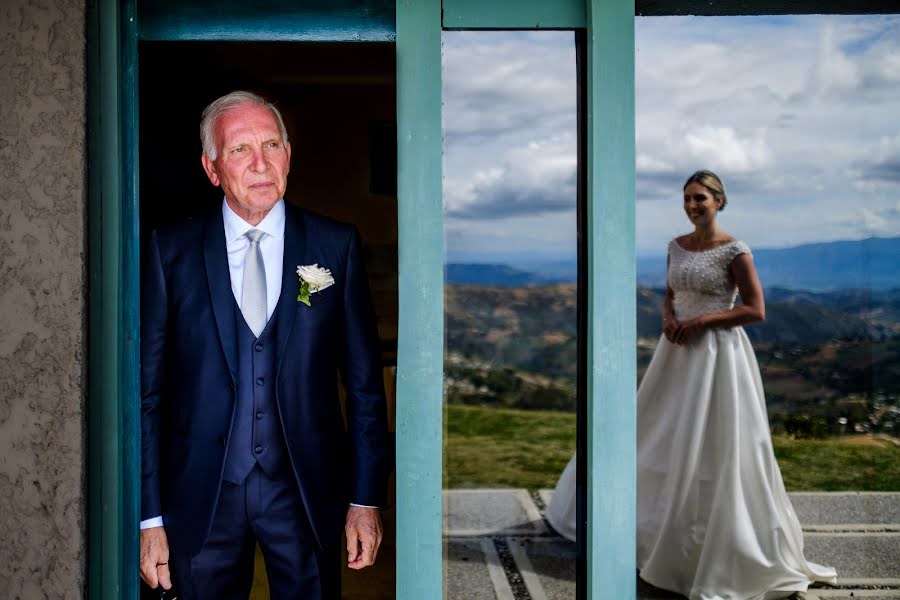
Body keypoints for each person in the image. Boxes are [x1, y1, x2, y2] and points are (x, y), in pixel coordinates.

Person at [138, 90, 392, 600]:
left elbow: (364, 387)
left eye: (272, 145)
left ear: (289, 155)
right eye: (240, 150)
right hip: (200, 500)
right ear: (212, 169)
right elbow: (147, 395)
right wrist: (150, 517)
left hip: (305, 492)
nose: (260, 163)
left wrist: (365, 499)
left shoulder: (334, 246)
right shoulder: (170, 251)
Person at [546, 170, 837, 599]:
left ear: (720, 201)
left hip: (717, 356)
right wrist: (669, 318)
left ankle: (709, 542)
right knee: (656, 432)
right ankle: (646, 531)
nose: (692, 205)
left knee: (715, 444)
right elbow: (670, 292)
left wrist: (702, 321)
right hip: (676, 351)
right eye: (686, 198)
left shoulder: (735, 250)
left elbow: (756, 310)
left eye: (700, 198)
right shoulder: (675, 246)